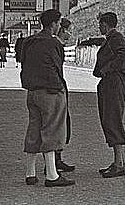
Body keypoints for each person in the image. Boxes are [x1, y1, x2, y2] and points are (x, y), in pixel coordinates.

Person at [20, 9, 75, 187]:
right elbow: (57, 68)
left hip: (32, 91)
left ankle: (30, 173)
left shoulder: (29, 41)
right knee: (51, 130)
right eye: (58, 23)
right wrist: (59, 89)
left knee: (34, 128)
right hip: (50, 91)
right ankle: (52, 175)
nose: (59, 26)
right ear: (53, 24)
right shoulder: (53, 43)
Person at [94, 12, 125, 178]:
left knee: (112, 119)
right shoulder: (111, 38)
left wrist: (107, 68)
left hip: (113, 83)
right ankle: (119, 161)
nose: (99, 27)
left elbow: (123, 54)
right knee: (109, 119)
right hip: (110, 83)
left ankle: (119, 163)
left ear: (106, 24)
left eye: (101, 24)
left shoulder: (116, 38)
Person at [52, 17, 75, 173]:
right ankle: (52, 161)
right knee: (56, 123)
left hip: (59, 85)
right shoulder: (54, 44)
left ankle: (57, 158)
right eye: (66, 31)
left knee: (62, 123)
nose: (68, 35)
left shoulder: (57, 44)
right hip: (55, 87)